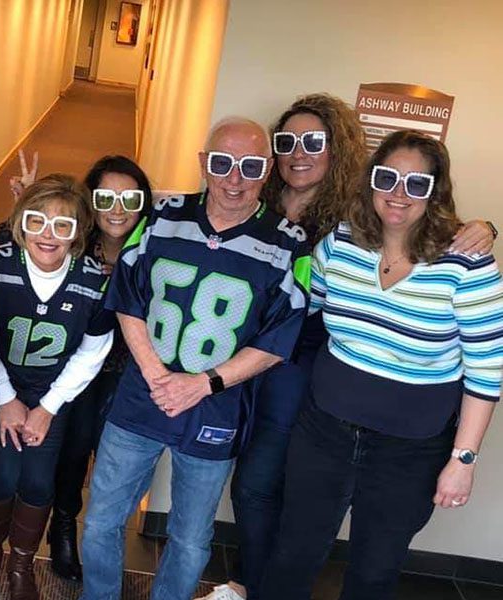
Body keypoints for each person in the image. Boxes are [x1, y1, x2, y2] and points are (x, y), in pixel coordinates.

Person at [201, 94, 497, 600]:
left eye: (416, 183)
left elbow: (486, 371)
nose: (398, 194)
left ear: (435, 190)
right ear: (371, 183)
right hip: (325, 429)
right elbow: (298, 298)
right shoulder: (340, 242)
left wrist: (463, 459)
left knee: (374, 570)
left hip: (409, 446)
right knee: (295, 551)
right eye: (387, 179)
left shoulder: (463, 264)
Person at [79, 117, 310, 600]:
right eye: (223, 163)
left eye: (249, 166)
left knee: (189, 536)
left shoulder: (288, 243)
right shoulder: (164, 216)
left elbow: (277, 340)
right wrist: (156, 373)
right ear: (204, 163)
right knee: (102, 517)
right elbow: (128, 297)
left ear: (267, 169)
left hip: (216, 404)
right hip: (145, 391)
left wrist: (202, 383)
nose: (234, 178)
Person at [0, 174, 114, 600]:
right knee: (4, 472)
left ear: (79, 232)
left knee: (37, 479)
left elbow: (93, 350)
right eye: (37, 221)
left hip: (55, 392)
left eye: (63, 225)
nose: (48, 236)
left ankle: (21, 563)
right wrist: (6, 398)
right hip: (2, 385)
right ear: (19, 223)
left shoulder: (94, 280)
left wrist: (48, 406)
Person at [8, 152, 154, 580]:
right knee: (74, 447)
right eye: (106, 197)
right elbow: (21, 254)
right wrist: (24, 204)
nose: (117, 208)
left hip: (132, 368)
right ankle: (64, 524)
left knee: (118, 460)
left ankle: (102, 533)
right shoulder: (72, 239)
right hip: (75, 366)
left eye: (130, 198)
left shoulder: (154, 248)